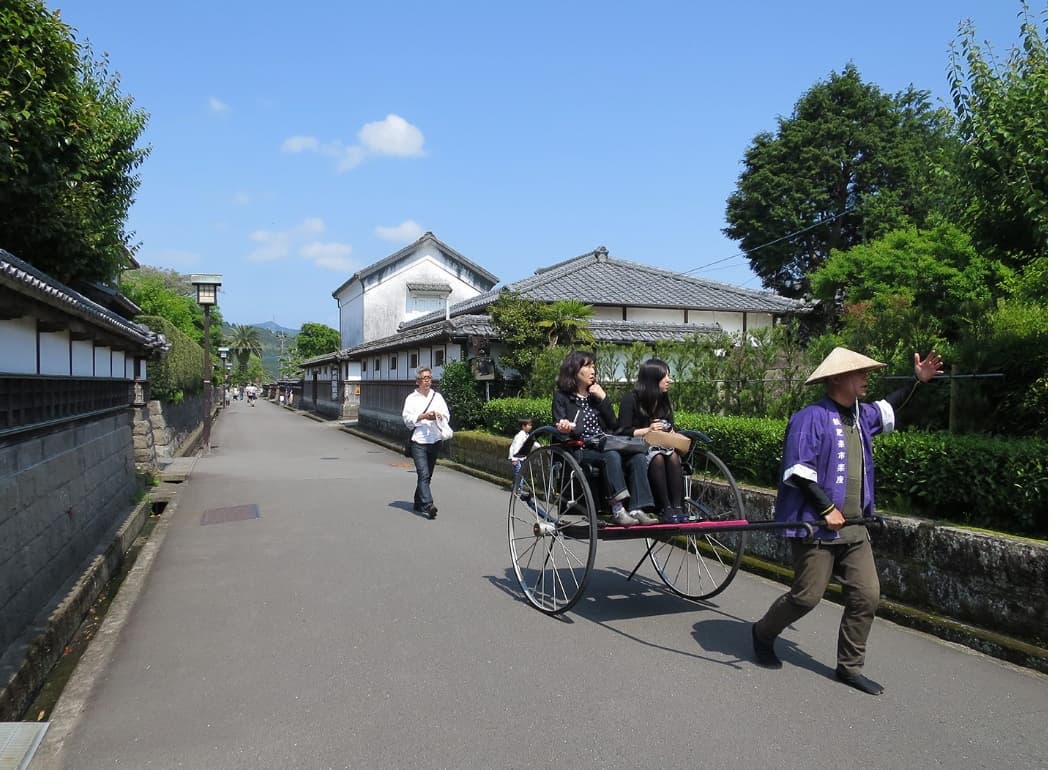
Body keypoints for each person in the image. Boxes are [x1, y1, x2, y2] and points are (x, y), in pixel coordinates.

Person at [751, 346, 943, 696]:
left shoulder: (861, 415)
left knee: (867, 596)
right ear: (838, 378)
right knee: (807, 597)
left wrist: (917, 382)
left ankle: (849, 667)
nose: (866, 378)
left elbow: (890, 408)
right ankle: (762, 633)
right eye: (860, 373)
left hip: (855, 527)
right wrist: (826, 509)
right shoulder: (809, 418)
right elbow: (798, 471)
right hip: (816, 526)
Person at [553, 350, 654, 526]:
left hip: (606, 443)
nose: (593, 370)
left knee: (637, 457)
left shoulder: (595, 397)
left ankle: (637, 508)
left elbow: (614, 426)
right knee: (612, 455)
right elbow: (560, 427)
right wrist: (564, 426)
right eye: (588, 366)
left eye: (593, 366)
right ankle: (618, 509)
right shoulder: (562, 398)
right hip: (582, 448)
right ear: (574, 370)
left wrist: (604, 398)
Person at [618, 358, 685, 524]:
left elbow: (671, 426)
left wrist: (670, 431)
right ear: (653, 380)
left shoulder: (663, 401)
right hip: (639, 448)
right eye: (665, 377)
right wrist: (648, 430)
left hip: (663, 445)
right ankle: (665, 507)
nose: (669, 380)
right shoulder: (631, 400)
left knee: (673, 456)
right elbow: (622, 431)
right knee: (658, 457)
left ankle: (678, 507)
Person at [402, 367, 451, 519]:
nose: (427, 380)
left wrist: (438, 416)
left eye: (429, 378)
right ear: (418, 381)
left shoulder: (437, 397)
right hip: (419, 441)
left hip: (434, 439)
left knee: (427, 475)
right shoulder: (411, 398)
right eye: (424, 378)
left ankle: (418, 502)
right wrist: (423, 416)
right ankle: (428, 505)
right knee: (422, 473)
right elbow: (407, 419)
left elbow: (446, 416)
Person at [508, 417, 536, 497]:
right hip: (517, 458)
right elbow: (515, 447)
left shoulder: (526, 435)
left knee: (519, 473)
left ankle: (515, 487)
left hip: (521, 458)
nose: (530, 427)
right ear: (523, 426)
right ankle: (518, 489)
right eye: (529, 425)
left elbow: (532, 443)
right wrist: (514, 459)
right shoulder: (520, 436)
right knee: (519, 474)